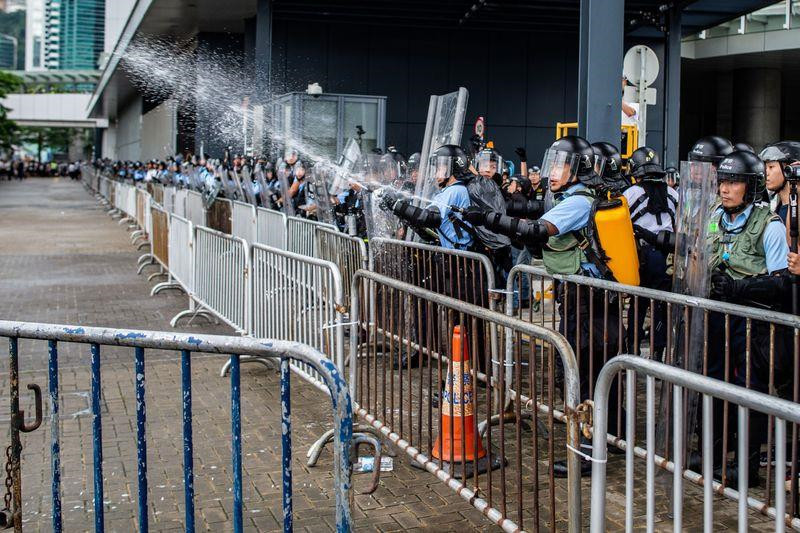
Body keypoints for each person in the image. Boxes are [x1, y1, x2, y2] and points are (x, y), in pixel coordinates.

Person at [462, 135, 624, 476]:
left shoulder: (579, 201)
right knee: (589, 368)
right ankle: (602, 440)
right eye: (552, 163)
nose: (552, 172)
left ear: (578, 168)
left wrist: (488, 219)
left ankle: (590, 452)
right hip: (584, 297)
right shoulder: (572, 197)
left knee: (584, 370)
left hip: (588, 300)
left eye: (561, 165)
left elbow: (539, 228)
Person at [705, 150, 791, 486]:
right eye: (722, 181)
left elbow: (781, 280)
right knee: (712, 384)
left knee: (748, 391)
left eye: (734, 182)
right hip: (715, 317)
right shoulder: (715, 216)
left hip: (750, 323)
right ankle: (713, 457)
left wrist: (743, 288)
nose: (725, 189)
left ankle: (746, 466)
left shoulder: (768, 226)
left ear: (751, 186)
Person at [623, 147, 678, 360]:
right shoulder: (673, 193)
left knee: (637, 306)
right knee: (661, 307)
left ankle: (633, 352)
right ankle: (657, 354)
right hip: (666, 257)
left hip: (640, 255)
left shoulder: (631, 193)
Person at [759, 141, 800, 225]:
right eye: (765, 167)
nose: (766, 173)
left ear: (790, 169)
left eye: (771, 167)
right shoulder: (780, 206)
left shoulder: (796, 209)